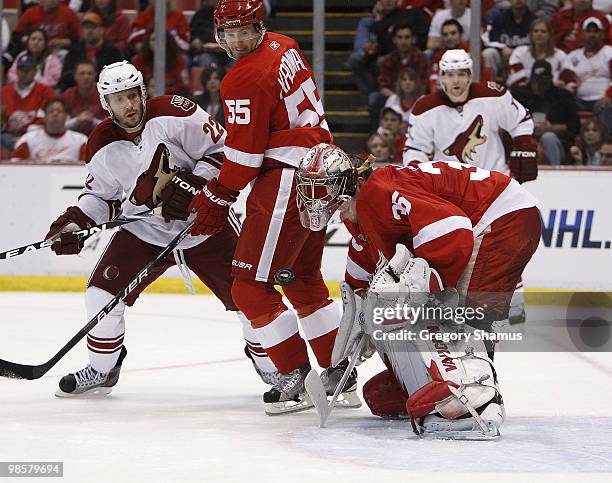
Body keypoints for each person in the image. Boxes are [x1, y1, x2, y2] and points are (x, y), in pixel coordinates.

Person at [45, 60, 276, 397]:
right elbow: (101, 196)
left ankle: (274, 370)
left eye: (132, 95)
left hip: (205, 224)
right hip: (146, 231)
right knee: (100, 295)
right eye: (119, 99)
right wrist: (75, 222)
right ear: (105, 104)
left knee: (249, 300)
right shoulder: (100, 143)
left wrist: (195, 186)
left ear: (143, 92)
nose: (129, 105)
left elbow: (223, 151)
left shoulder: (175, 112)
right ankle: (102, 368)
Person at [296, 143, 541, 437]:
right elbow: (360, 276)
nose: (318, 198)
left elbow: (453, 230)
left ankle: (478, 397)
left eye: (325, 187)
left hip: (500, 216)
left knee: (458, 310)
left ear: (352, 182)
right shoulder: (360, 209)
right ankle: (429, 382)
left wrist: (427, 285)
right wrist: (356, 322)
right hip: (500, 213)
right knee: (401, 302)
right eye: (311, 188)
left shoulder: (377, 194)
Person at [187, 0, 359, 414]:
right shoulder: (285, 44)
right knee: (302, 281)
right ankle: (341, 375)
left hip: (287, 178)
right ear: (219, 34)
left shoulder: (242, 78)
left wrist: (218, 193)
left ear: (258, 26)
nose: (237, 39)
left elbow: (245, 157)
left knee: (248, 285)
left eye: (244, 30)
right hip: (321, 171)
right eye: (229, 33)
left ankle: (293, 376)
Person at [405, 49, 538, 182]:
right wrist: (416, 173)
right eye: (450, 75)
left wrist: (523, 146)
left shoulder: (493, 96)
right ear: (442, 78)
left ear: (470, 76)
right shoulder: (425, 108)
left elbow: (520, 120)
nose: (456, 81)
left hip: (494, 182)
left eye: (461, 74)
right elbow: (416, 148)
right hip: (449, 187)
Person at [511, 60, 580, 165]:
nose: (538, 86)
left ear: (550, 80)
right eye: (535, 81)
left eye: (542, 82)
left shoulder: (563, 97)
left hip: (556, 142)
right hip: (525, 138)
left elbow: (574, 126)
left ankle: (554, 172)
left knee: (549, 138)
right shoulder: (520, 95)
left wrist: (552, 128)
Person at [559, 17, 612, 129]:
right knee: (563, 102)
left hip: (602, 100)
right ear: (582, 34)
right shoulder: (574, 56)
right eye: (588, 31)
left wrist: (609, 96)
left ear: (602, 34)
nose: (592, 35)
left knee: (608, 107)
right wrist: (570, 86)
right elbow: (567, 76)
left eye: (595, 31)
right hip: (579, 100)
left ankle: (607, 142)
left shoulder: (609, 53)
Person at [1, 54, 56, 152]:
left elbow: (52, 116)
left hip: (36, 135)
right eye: (21, 70)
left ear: (35, 72)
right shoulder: (4, 92)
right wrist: (5, 124)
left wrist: (33, 126)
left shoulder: (46, 91)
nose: (24, 73)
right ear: (16, 71)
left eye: (28, 70)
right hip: (8, 136)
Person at [58, 12, 123, 91]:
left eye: (93, 27)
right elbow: (65, 76)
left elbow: (118, 77)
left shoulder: (112, 51)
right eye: (86, 28)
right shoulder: (75, 51)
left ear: (101, 30)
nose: (89, 31)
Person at [11, 98, 88, 164]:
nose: (55, 114)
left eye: (59, 111)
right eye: (51, 111)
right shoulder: (28, 139)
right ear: (44, 116)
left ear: (66, 116)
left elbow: (88, 167)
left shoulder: (80, 140)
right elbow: (15, 165)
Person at [507, 19, 567, 88]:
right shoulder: (520, 52)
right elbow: (514, 78)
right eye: (536, 31)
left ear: (549, 35)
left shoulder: (560, 55)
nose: (539, 34)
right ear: (531, 35)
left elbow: (566, 77)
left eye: (543, 32)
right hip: (524, 92)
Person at [61, 61, 108, 135]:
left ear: (95, 75)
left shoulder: (105, 94)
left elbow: (112, 126)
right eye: (82, 73)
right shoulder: (67, 95)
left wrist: (93, 121)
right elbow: (60, 126)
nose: (86, 77)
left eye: (89, 73)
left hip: (101, 136)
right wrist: (77, 120)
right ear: (75, 76)